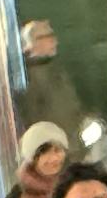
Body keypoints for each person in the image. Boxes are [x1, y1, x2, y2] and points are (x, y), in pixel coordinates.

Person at [14, 17, 92, 155]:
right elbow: (32, 118)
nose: (54, 41)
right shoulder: (29, 78)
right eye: (47, 36)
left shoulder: (56, 70)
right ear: (32, 42)